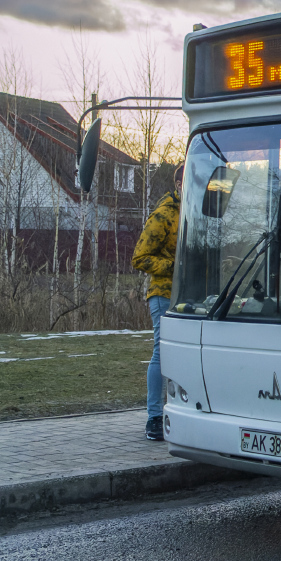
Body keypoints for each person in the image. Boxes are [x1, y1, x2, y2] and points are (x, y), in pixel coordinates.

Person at [131, 165, 184, 442]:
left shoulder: (200, 213)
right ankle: (154, 417)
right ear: (178, 183)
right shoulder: (164, 214)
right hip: (164, 293)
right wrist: (176, 267)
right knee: (162, 353)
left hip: (193, 297)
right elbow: (140, 257)